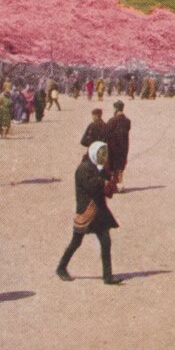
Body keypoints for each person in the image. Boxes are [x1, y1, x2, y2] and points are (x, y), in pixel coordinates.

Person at [56, 141, 122, 285]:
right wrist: (104, 182)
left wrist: (110, 180)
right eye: (101, 154)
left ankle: (108, 276)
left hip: (99, 212)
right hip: (87, 212)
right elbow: (92, 187)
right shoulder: (84, 168)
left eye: (105, 154)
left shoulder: (99, 168)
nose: (103, 157)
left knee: (106, 242)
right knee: (76, 242)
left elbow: (108, 190)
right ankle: (61, 268)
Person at [104, 101, 131, 190]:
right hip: (124, 147)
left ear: (116, 108)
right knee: (120, 167)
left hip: (113, 146)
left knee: (112, 166)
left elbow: (106, 132)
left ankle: (115, 185)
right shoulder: (127, 121)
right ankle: (119, 184)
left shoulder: (112, 121)